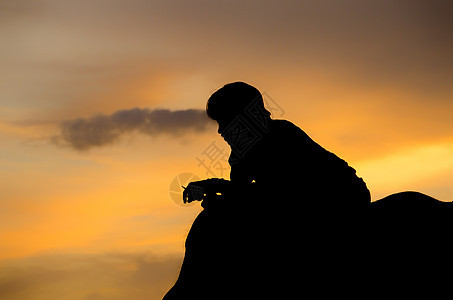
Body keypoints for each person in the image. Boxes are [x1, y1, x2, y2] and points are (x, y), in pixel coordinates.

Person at [163, 82, 372, 299]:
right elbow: (243, 192)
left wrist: (221, 194)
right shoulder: (241, 153)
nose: (220, 131)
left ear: (243, 118)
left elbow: (277, 194)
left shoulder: (282, 135)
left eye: (224, 121)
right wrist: (212, 187)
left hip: (339, 202)